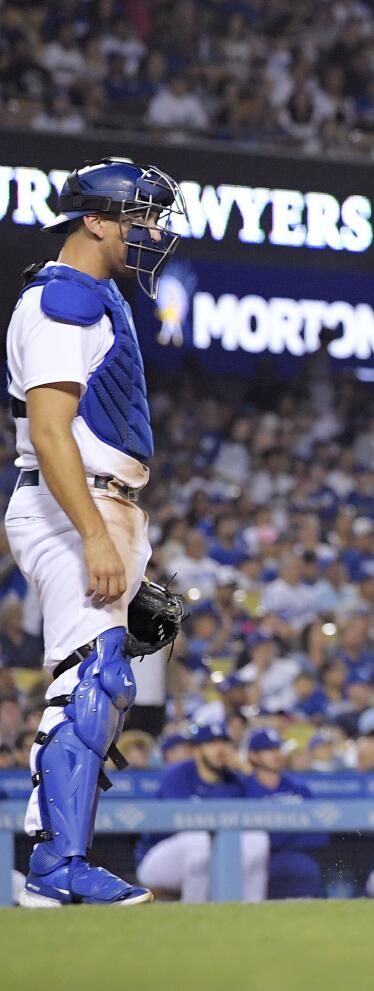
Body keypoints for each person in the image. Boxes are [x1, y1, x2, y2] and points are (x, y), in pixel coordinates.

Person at [8, 159, 186, 907]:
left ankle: (48, 845)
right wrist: (92, 534)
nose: (152, 231)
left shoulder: (96, 293)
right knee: (92, 674)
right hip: (68, 500)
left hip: (99, 500)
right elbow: (50, 433)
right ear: (94, 219)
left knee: (105, 680)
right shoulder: (62, 302)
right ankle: (55, 867)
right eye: (139, 216)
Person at [134, 722, 270, 902]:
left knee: (258, 839)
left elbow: (264, 811)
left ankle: (250, 912)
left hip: (212, 856)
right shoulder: (179, 774)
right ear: (197, 750)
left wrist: (248, 773)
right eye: (212, 744)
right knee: (201, 842)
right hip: (158, 858)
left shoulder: (236, 779)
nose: (220, 749)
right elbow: (176, 824)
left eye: (224, 743)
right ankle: (194, 913)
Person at [243, 727, 326, 899]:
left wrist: (275, 835)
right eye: (268, 750)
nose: (276, 755)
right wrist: (291, 831)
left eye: (278, 749)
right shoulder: (242, 788)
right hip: (257, 863)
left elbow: (320, 833)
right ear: (253, 755)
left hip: (299, 859)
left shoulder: (299, 788)